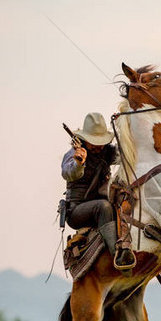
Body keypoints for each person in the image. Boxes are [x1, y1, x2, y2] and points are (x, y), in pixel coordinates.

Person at [61, 112, 135, 271]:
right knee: (104, 206)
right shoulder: (73, 154)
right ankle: (118, 254)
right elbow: (68, 173)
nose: (98, 146)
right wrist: (79, 163)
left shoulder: (107, 152)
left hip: (102, 202)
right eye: (94, 142)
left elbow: (128, 155)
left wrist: (129, 127)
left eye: (100, 142)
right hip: (77, 211)